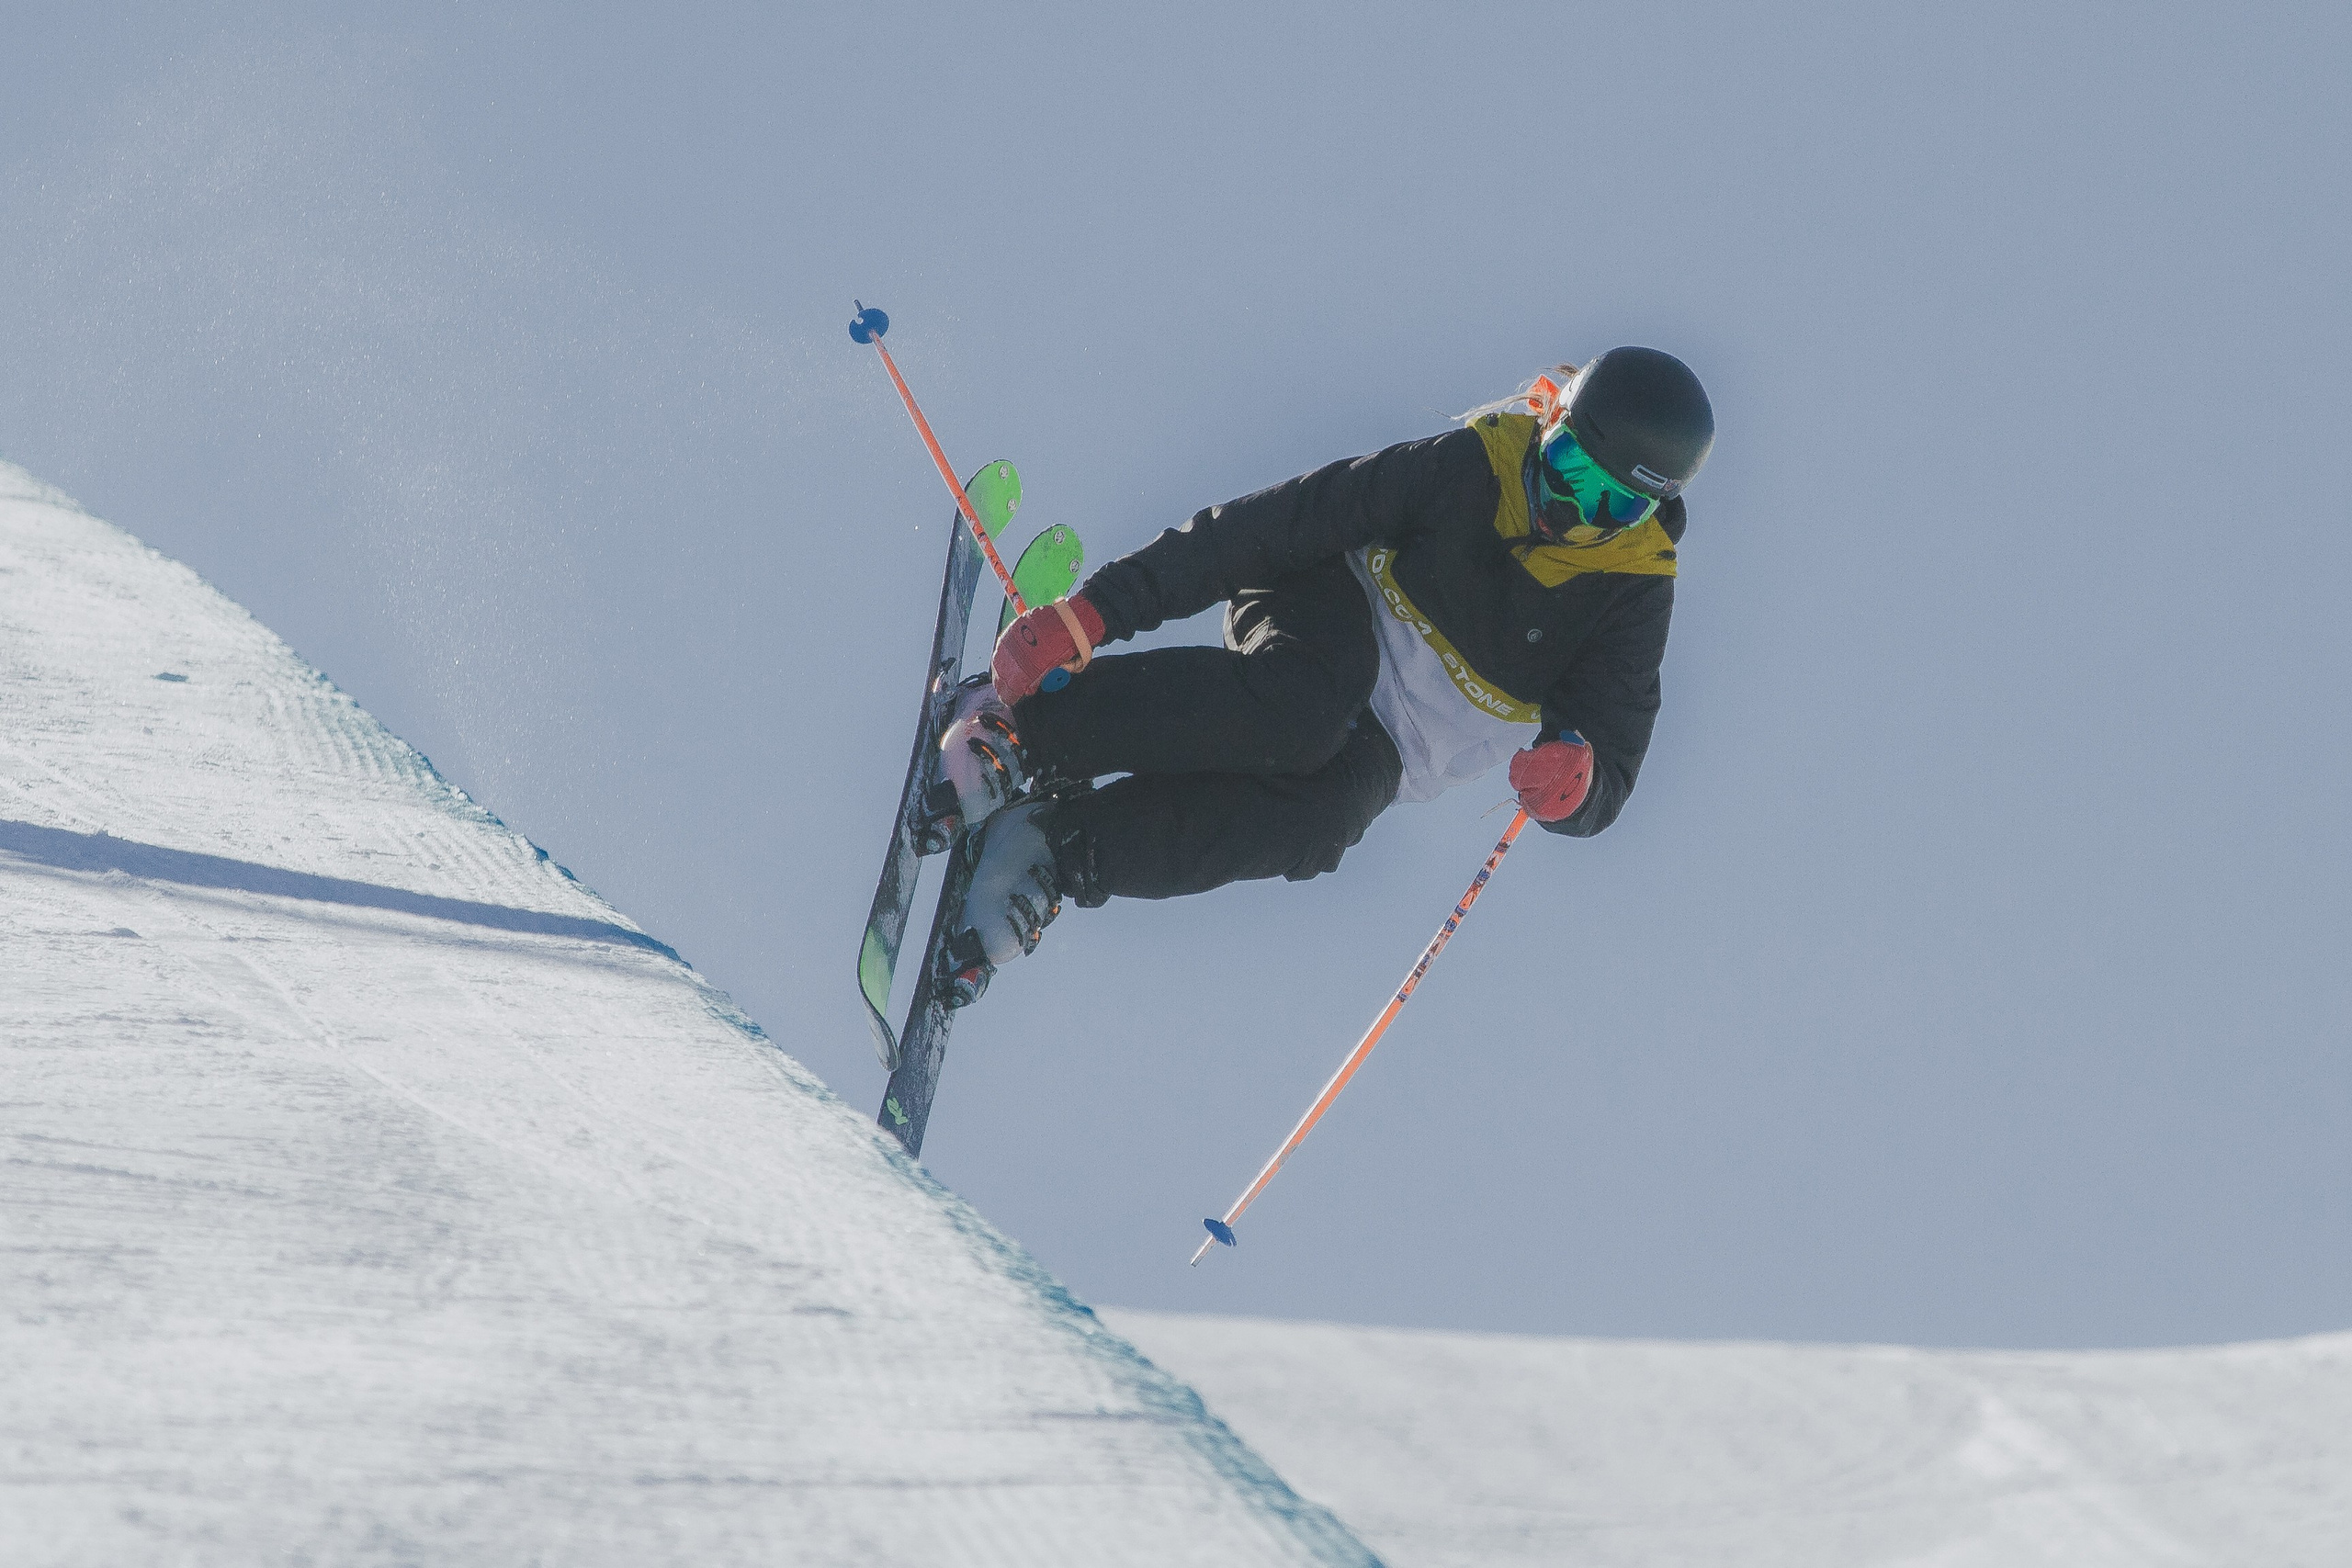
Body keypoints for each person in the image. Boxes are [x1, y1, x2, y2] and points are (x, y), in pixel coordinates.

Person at [932, 347, 1714, 994]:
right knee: (1304, 710)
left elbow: (1609, 757)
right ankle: (1025, 727)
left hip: (1401, 742)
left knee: (1323, 820)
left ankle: (1056, 846)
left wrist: (1575, 783)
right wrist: (1096, 611)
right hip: (1327, 608)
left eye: (1613, 507)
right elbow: (1276, 523)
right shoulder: (1479, 464)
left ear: (1650, 514)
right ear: (1553, 422)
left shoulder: (1631, 589)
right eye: (1570, 464)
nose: (1571, 509)